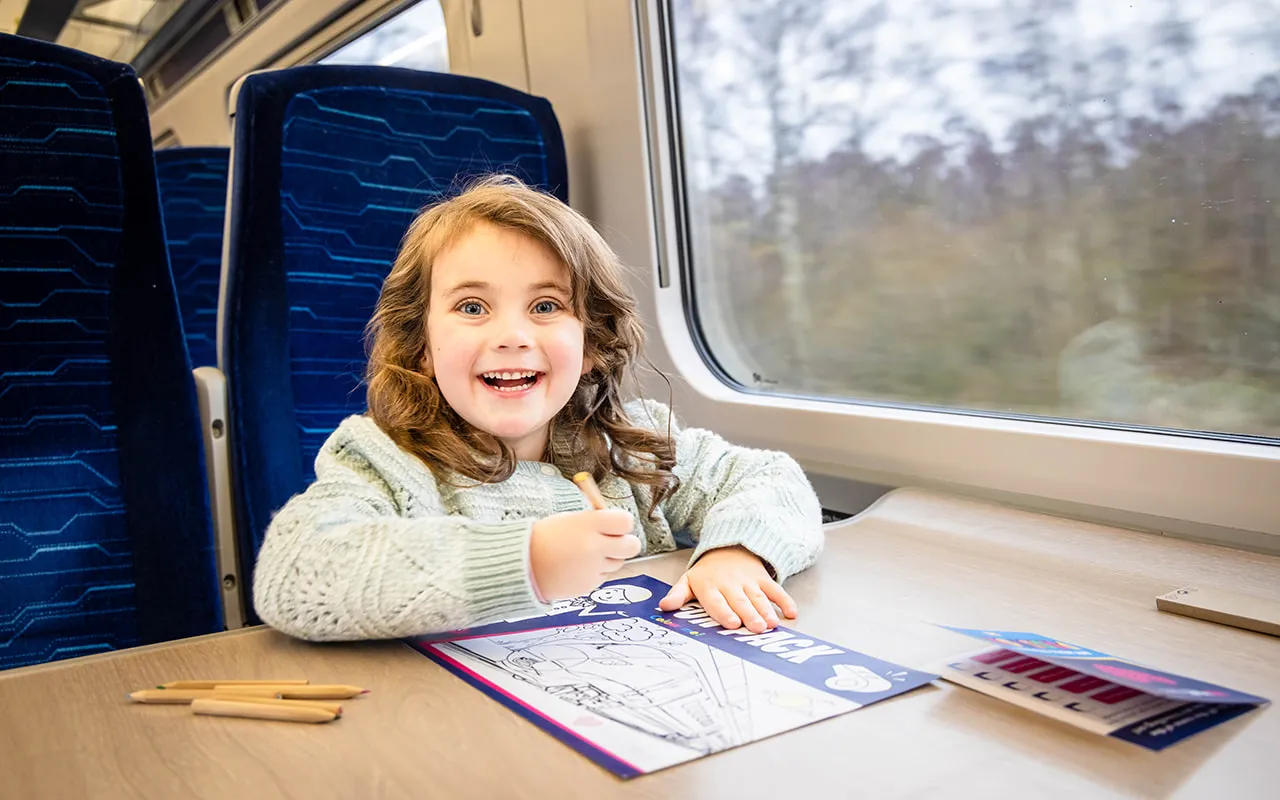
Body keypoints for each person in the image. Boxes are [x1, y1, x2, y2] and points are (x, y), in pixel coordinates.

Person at [252, 174, 823, 642]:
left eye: (546, 305)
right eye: (473, 307)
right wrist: (526, 562)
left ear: (592, 343)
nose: (512, 335)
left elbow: (770, 478)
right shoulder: (387, 461)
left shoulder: (632, 446)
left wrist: (737, 551)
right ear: (423, 347)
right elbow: (297, 572)